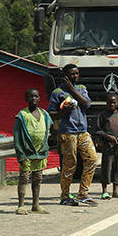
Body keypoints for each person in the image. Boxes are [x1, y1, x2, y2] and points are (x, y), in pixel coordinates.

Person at [48, 64, 98, 206]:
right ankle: (65, 196)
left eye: (76, 73)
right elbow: (51, 113)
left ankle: (83, 192)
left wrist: (72, 90)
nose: (75, 76)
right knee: (70, 165)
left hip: (82, 131)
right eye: (72, 74)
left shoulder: (81, 89)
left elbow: (86, 104)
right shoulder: (57, 92)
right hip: (67, 133)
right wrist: (63, 112)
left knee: (92, 159)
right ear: (66, 76)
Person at [13, 88, 52, 214]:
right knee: (24, 178)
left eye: (36, 96)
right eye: (30, 97)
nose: (33, 99)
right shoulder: (22, 116)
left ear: (39, 98)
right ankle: (21, 205)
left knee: (37, 178)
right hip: (27, 153)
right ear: (26, 99)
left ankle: (36, 204)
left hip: (40, 152)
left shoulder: (44, 114)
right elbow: (17, 137)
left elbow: (50, 129)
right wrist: (21, 155)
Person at [97, 93, 118, 200]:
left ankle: (116, 190)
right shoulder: (103, 115)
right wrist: (107, 136)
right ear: (106, 103)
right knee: (106, 166)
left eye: (114, 102)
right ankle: (105, 191)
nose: (112, 104)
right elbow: (98, 130)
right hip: (108, 146)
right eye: (110, 103)